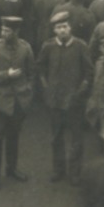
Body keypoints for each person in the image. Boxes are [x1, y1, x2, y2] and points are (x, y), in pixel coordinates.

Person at [39, 10, 93, 184]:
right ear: (54, 30)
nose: (62, 30)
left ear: (70, 28)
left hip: (74, 101)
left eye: (65, 26)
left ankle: (75, 172)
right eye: (58, 27)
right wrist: (46, 87)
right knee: (56, 137)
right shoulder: (48, 46)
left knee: (76, 138)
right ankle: (58, 169)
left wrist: (80, 92)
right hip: (55, 101)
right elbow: (40, 69)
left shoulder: (80, 46)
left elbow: (88, 72)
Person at [0, 15, 35, 191]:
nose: (4, 33)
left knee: (14, 137)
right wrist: (7, 75)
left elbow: (31, 73)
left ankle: (11, 169)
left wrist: (27, 90)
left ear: (16, 32)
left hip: (18, 102)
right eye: (3, 30)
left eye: (8, 31)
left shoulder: (25, 48)